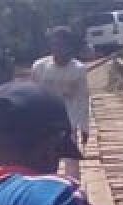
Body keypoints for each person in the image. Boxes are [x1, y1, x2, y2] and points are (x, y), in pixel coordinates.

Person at [32, 26, 90, 181]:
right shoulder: (39, 68)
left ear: (70, 47)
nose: (58, 49)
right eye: (55, 45)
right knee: (45, 162)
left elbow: (83, 98)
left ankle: (74, 193)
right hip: (45, 122)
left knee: (71, 163)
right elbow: (33, 96)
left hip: (69, 122)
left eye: (62, 45)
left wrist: (85, 127)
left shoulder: (78, 70)